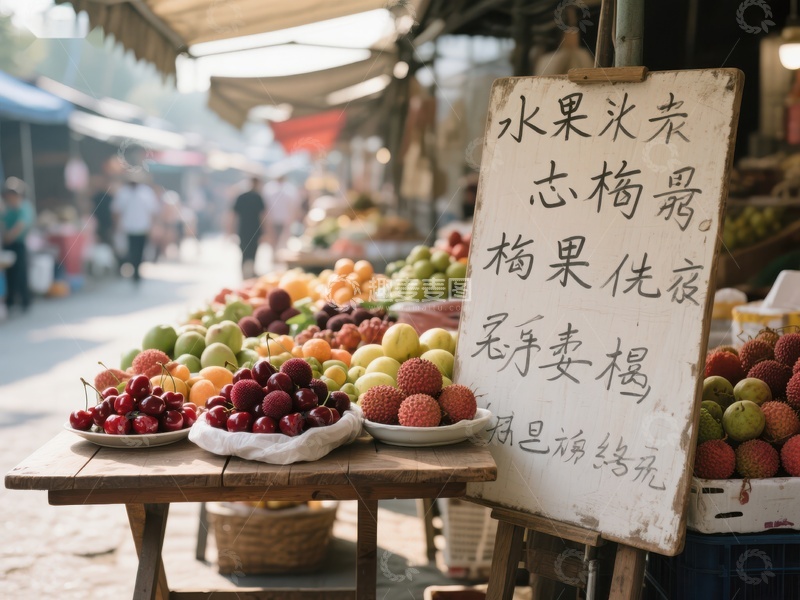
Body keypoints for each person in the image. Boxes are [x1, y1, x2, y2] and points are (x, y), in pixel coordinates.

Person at [111, 175, 160, 284]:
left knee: (140, 250)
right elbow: (117, 211)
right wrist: (117, 226)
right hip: (127, 228)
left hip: (142, 227)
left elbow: (153, 211)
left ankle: (137, 271)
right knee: (130, 250)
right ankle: (132, 269)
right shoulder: (123, 192)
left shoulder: (146, 192)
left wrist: (153, 227)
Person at [1, 178, 35, 312]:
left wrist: (9, 236)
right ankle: (10, 302)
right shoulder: (7, 208)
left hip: (19, 244)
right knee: (10, 274)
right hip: (8, 245)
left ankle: (25, 301)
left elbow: (21, 225)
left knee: (21, 273)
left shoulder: (24, 207)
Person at [231, 177, 266, 279]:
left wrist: (231, 230)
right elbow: (263, 216)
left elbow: (233, 215)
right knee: (252, 252)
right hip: (255, 230)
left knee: (245, 252)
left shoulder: (242, 197)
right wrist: (267, 231)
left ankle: (245, 275)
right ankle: (249, 275)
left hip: (243, 230)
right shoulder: (258, 197)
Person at [264, 175, 302, 253]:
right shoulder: (290, 189)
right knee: (281, 241)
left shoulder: (269, 188)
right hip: (283, 219)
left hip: (276, 219)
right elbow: (294, 206)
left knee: (276, 241)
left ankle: (276, 256)